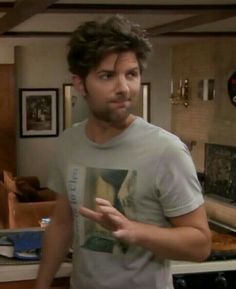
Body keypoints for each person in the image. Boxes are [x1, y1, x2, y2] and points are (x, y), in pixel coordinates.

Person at [34, 15, 211, 289]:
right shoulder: (69, 143)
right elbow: (61, 224)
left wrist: (135, 231)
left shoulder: (166, 150)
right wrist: (41, 285)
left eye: (131, 74)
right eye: (107, 76)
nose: (124, 88)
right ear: (80, 84)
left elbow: (200, 244)